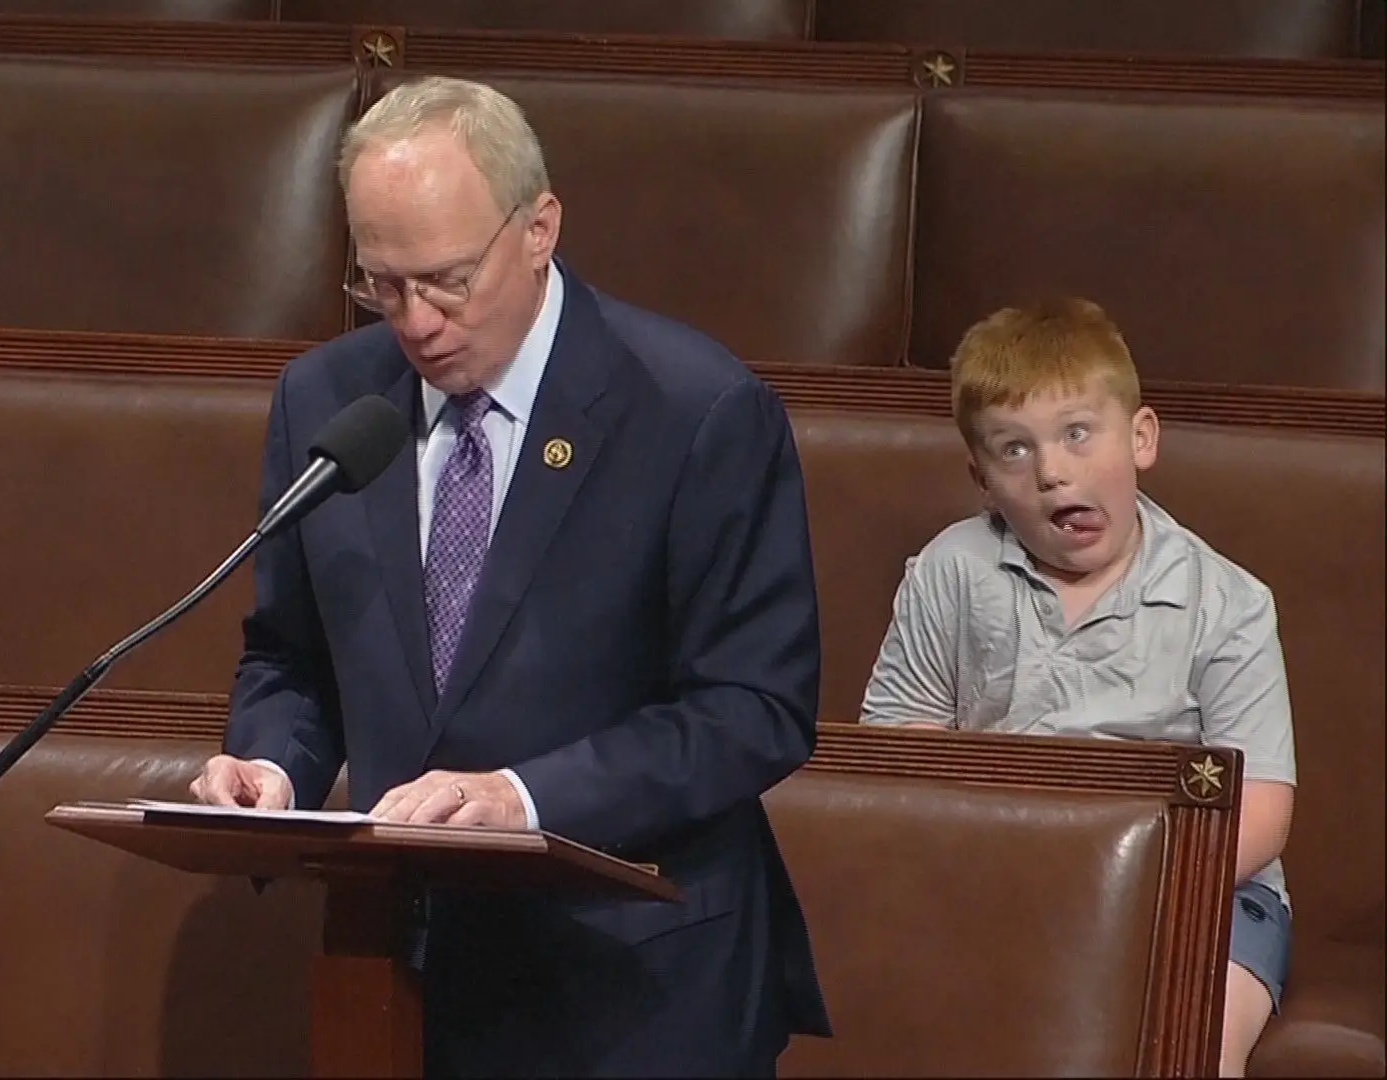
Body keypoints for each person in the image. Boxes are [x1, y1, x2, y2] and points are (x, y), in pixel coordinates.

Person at [187, 75, 831, 1077]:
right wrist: (271, 770)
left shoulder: (694, 411)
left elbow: (753, 708)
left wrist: (524, 799)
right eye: (381, 285)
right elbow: (293, 660)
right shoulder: (329, 400)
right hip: (400, 977)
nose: (416, 321)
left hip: (638, 988)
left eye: (447, 279)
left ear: (540, 228)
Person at [857, 298, 1296, 1076]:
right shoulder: (950, 573)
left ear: (1142, 438)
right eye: (1014, 451)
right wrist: (1009, 877)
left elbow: (1261, 807)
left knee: (1192, 1045)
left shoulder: (1228, 602)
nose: (1053, 471)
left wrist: (1116, 890)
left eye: (1077, 434)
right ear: (981, 477)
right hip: (993, 878)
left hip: (1202, 895)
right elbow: (900, 756)